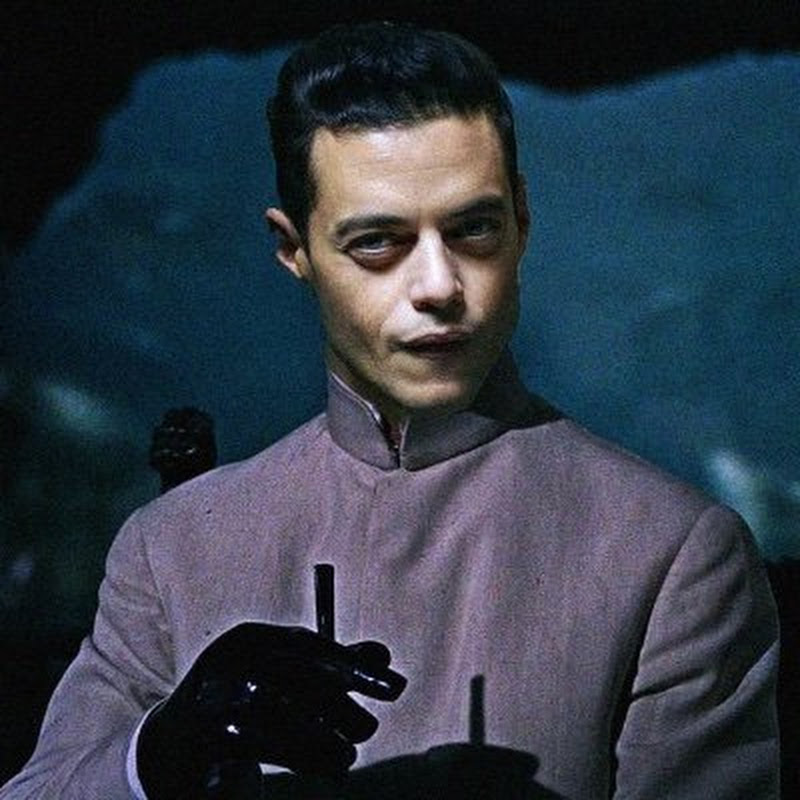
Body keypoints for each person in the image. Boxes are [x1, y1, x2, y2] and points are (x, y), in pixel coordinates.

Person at [0, 21, 780, 800]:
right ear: (294, 250)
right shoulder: (171, 548)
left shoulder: (671, 555)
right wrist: (162, 752)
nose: (439, 285)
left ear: (522, 222)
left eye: (474, 228)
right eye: (378, 242)